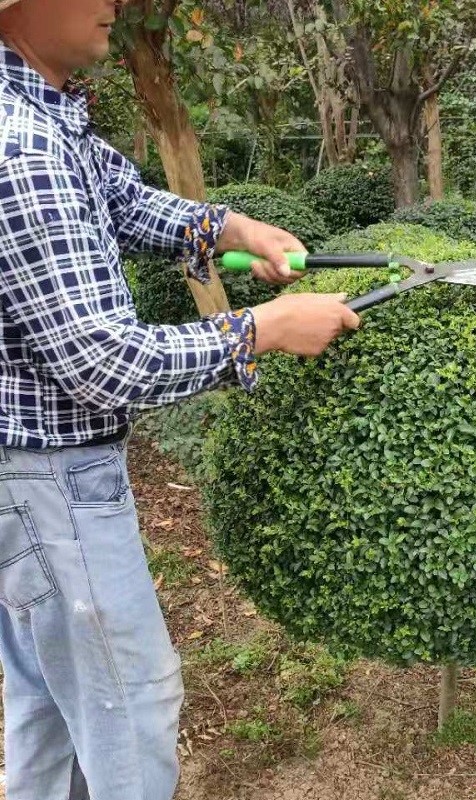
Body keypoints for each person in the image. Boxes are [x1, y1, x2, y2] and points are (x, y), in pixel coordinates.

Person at [0, 0, 361, 797]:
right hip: (52, 485)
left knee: (53, 710)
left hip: (31, 484)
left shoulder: (42, 114)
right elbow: (102, 360)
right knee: (130, 703)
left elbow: (122, 202)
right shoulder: (19, 144)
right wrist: (260, 330)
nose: (113, 5)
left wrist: (235, 228)